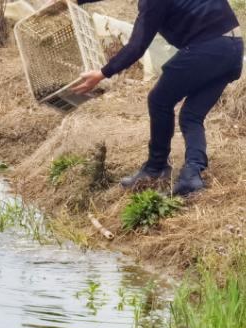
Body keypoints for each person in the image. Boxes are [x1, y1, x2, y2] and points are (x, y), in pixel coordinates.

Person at [72, 0, 244, 196]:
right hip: (233, 49)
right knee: (191, 116)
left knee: (159, 100)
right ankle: (192, 174)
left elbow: (137, 45)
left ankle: (156, 167)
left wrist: (103, 73)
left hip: (208, 47)